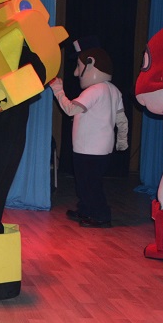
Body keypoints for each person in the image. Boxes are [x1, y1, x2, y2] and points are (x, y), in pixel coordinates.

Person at [50, 41, 128, 228]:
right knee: (88, 182)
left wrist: (58, 91)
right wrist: (122, 140)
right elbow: (121, 119)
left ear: (90, 64)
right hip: (100, 149)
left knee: (89, 184)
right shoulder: (113, 90)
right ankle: (86, 209)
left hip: (89, 149)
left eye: (79, 66)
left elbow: (70, 110)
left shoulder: (94, 90)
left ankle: (101, 216)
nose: (76, 73)